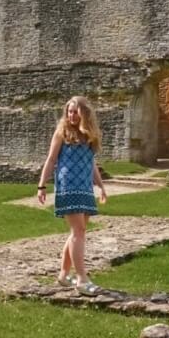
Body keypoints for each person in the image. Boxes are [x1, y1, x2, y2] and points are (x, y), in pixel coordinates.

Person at [37, 96, 107, 294]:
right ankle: (82, 279)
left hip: (85, 188)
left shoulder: (89, 135)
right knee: (79, 231)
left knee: (78, 231)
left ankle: (63, 275)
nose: (72, 115)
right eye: (69, 111)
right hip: (68, 186)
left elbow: (91, 163)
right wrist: (42, 186)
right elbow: (51, 160)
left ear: (84, 113)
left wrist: (101, 186)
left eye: (75, 112)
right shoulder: (62, 132)